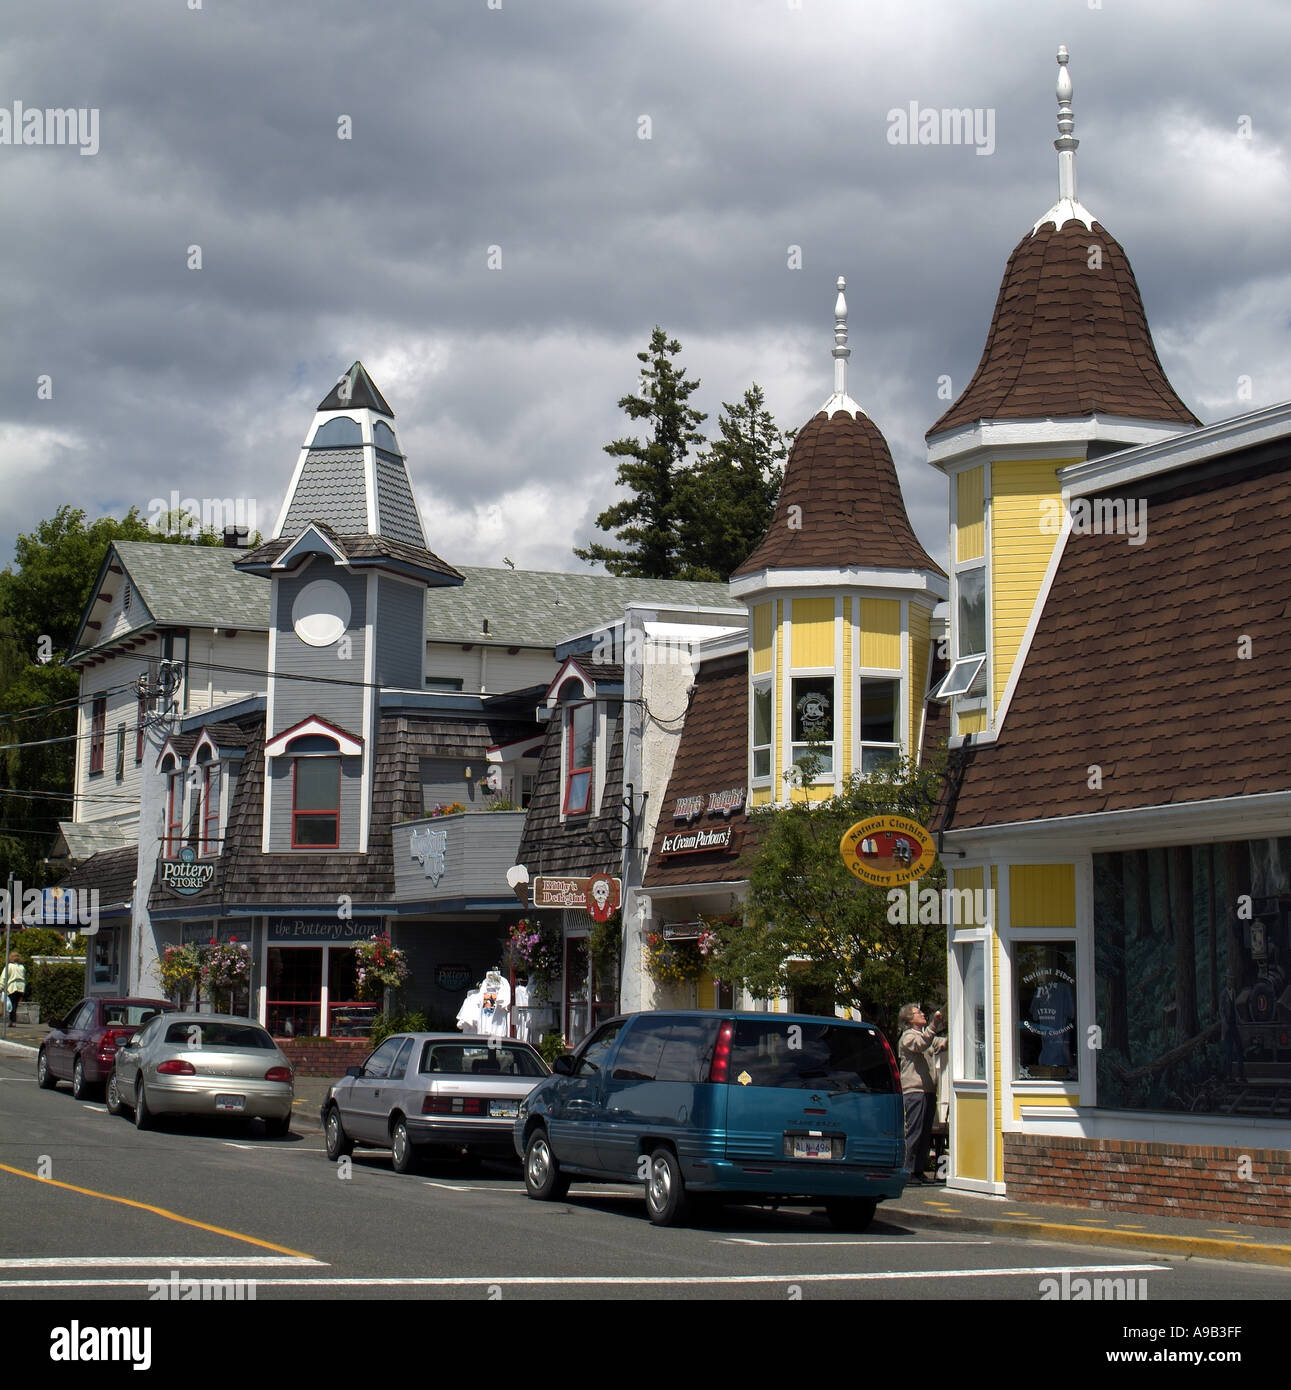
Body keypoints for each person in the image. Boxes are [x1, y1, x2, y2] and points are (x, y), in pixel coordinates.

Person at [898, 1002, 946, 1183]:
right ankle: (908, 1170)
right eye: (918, 1013)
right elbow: (921, 1044)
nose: (923, 1014)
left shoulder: (924, 1035)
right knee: (915, 1131)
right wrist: (934, 1025)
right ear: (909, 1020)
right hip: (914, 1091)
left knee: (925, 1133)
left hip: (928, 1090)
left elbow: (937, 1042)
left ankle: (918, 1170)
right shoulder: (908, 1037)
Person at [2, 952, 25, 1025]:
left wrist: (1, 987)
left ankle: (13, 1021)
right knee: (15, 1004)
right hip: (21, 987)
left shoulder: (9, 966)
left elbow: (4, 977)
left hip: (12, 987)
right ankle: (13, 1021)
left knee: (11, 1005)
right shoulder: (22, 967)